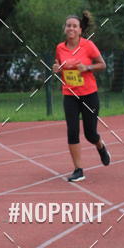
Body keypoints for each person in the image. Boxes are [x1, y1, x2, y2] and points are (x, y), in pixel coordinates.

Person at [52, 12, 111, 182]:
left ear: (80, 30)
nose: (71, 28)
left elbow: (102, 65)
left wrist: (87, 68)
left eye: (74, 26)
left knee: (90, 134)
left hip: (89, 94)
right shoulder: (59, 48)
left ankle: (100, 146)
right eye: (68, 25)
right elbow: (60, 67)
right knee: (72, 131)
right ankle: (78, 169)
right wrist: (56, 69)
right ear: (65, 29)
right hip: (69, 94)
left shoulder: (88, 45)